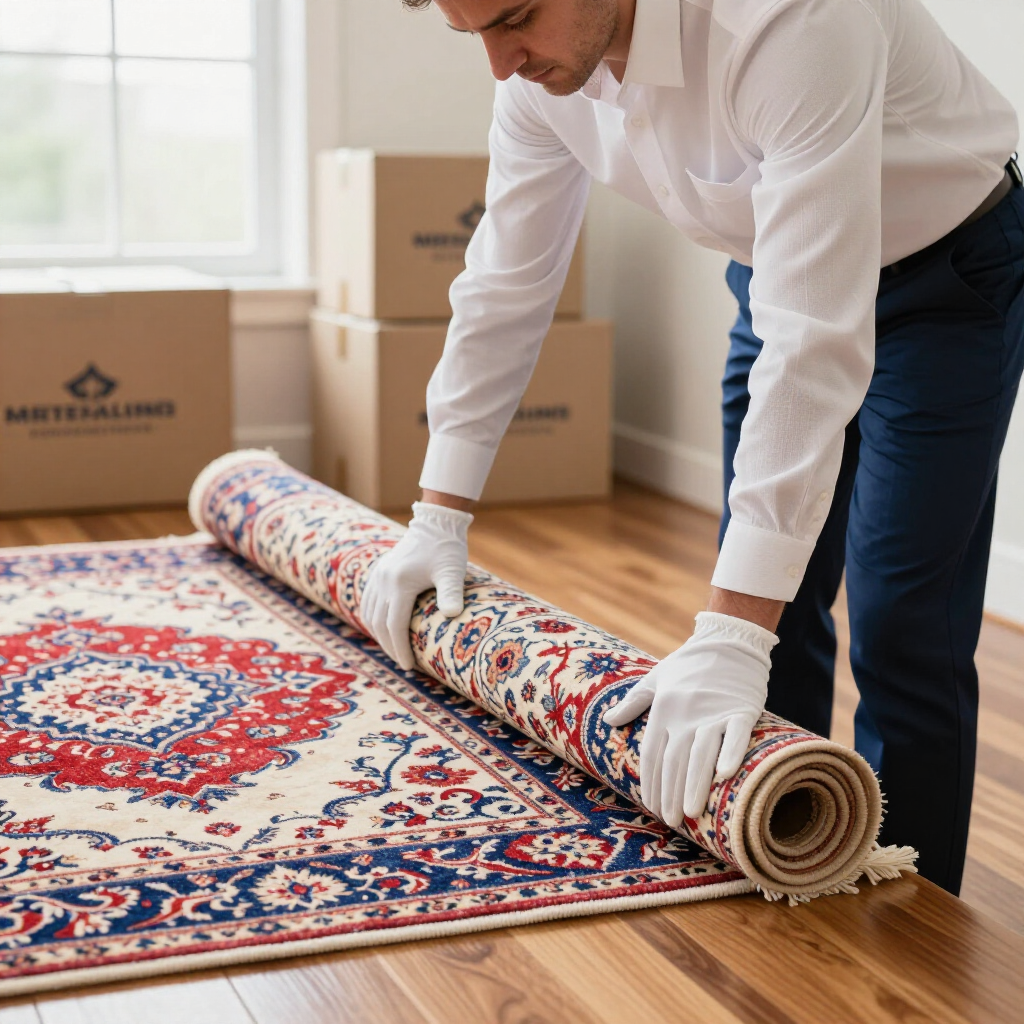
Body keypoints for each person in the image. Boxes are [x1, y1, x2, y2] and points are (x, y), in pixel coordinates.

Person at [360, 0, 1023, 895]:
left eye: (514, 16)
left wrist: (728, 633)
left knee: (903, 614)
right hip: (775, 274)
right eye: (470, 32)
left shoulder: (792, 20)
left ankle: (905, 904)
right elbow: (504, 285)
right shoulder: (538, 77)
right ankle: (773, 838)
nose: (499, 61)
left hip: (947, 279)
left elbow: (814, 340)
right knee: (766, 612)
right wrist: (437, 512)